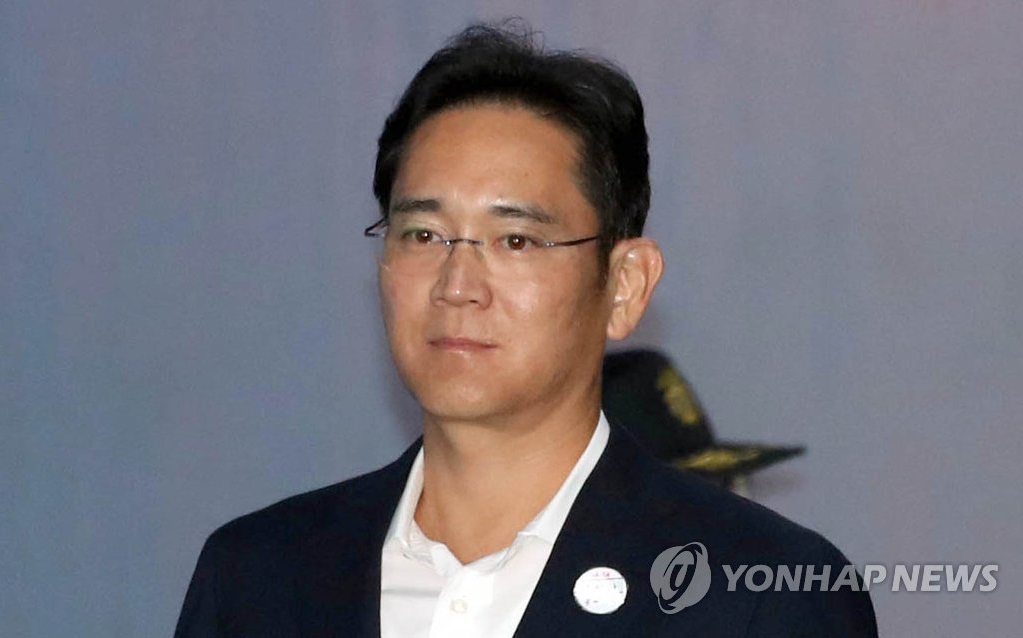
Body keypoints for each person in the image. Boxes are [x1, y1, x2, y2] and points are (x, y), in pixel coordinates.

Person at [175, 22, 877, 637]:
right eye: (423, 234)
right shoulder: (258, 575)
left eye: (515, 241)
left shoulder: (759, 595)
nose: (457, 285)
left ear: (624, 285)